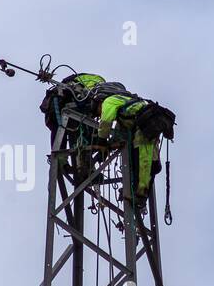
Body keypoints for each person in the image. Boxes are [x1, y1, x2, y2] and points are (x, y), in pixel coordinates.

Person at [39, 72, 175, 203]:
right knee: (153, 165)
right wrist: (106, 148)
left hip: (147, 127)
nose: (97, 115)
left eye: (96, 111)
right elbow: (119, 135)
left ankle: (138, 194)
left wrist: (102, 141)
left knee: (144, 162)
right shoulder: (125, 102)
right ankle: (139, 194)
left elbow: (105, 122)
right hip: (149, 125)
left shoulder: (110, 101)